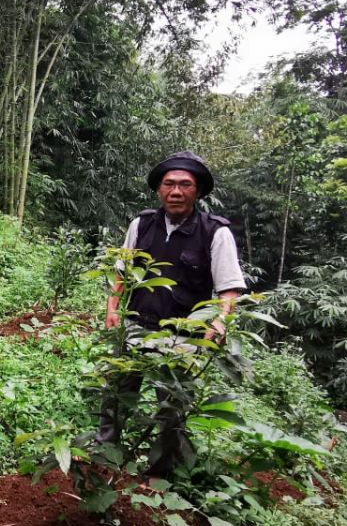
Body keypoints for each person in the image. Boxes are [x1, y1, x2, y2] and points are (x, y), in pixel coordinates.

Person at [100, 150, 246, 479]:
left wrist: (220, 320)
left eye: (185, 185)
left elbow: (229, 289)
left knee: (172, 410)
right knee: (116, 396)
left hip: (183, 337)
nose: (175, 191)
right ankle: (104, 457)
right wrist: (112, 307)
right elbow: (122, 270)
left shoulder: (215, 232)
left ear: (198, 191)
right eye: (169, 184)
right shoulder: (142, 224)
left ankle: (158, 475)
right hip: (135, 326)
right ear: (158, 190)